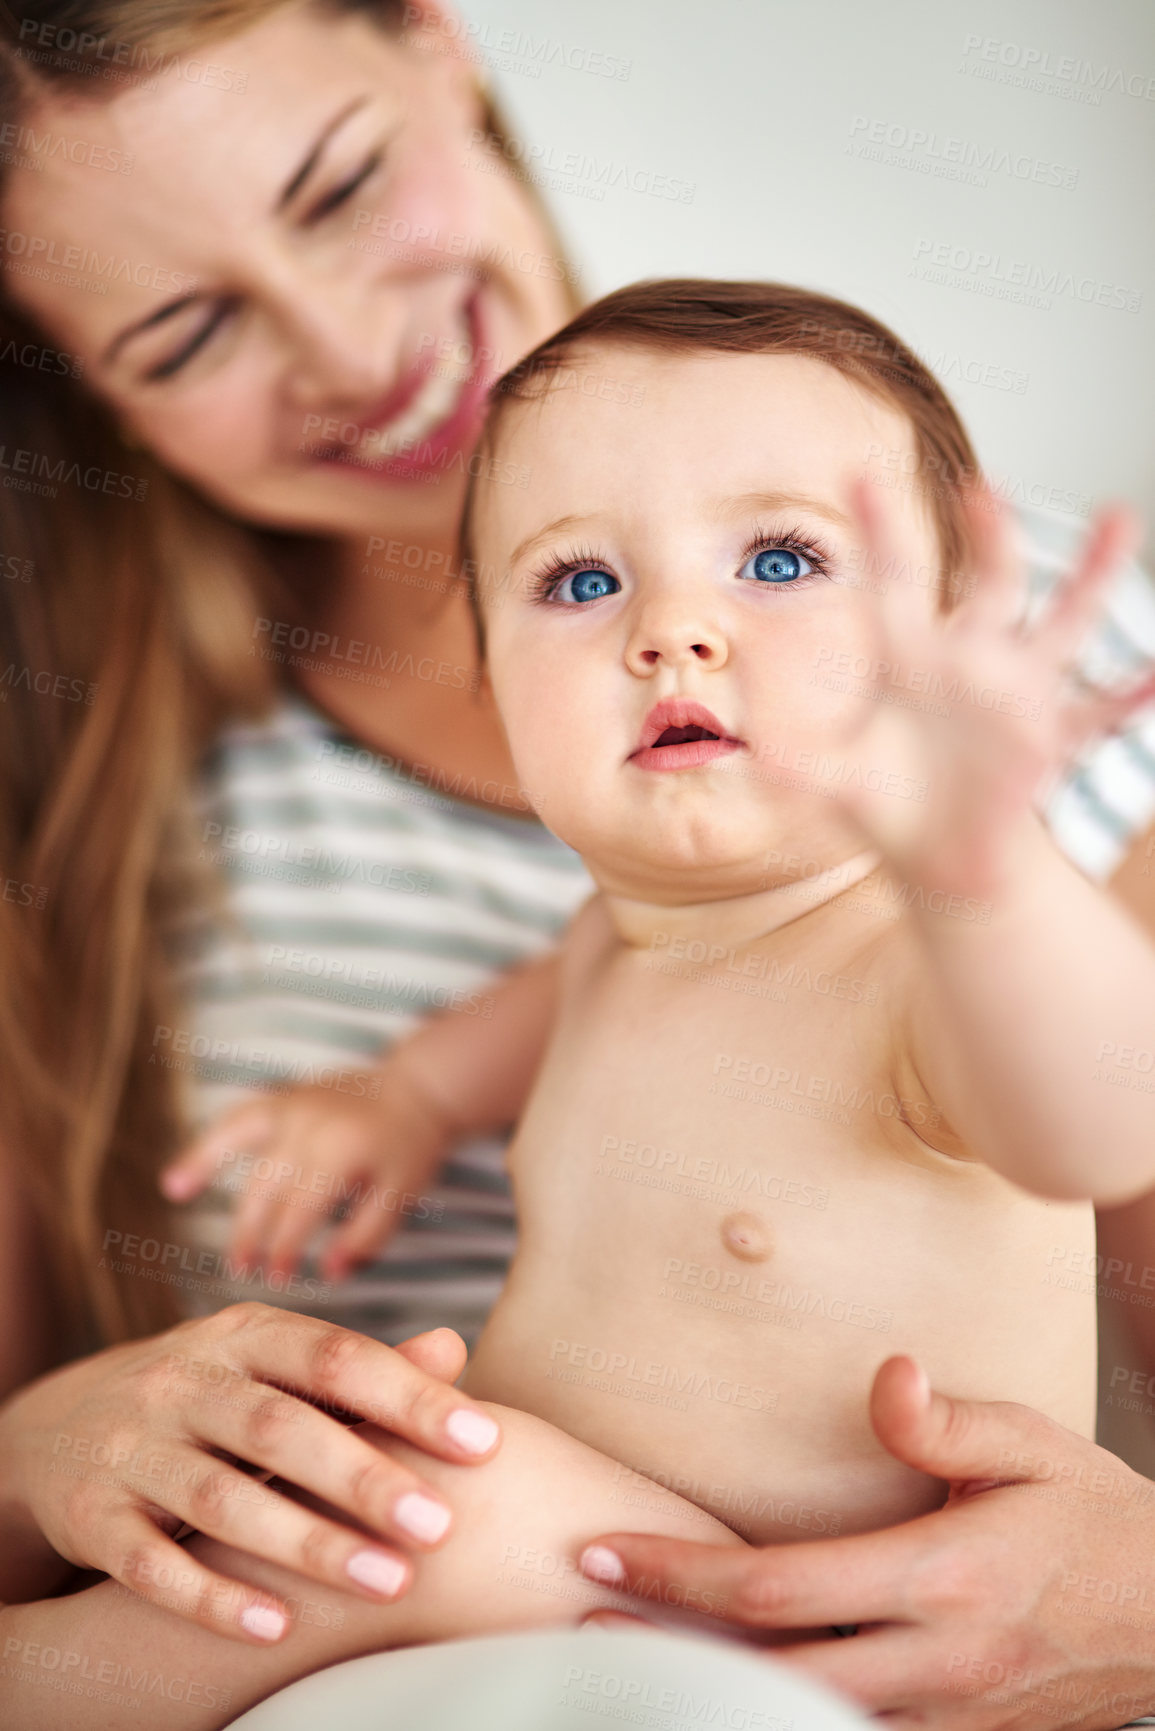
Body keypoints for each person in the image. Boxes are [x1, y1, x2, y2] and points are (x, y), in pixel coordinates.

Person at [0, 1, 1154, 1724]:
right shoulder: (622, 925)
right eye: (580, 584)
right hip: (499, 1624)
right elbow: (533, 1014)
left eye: (778, 559)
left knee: (427, 1507)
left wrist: (989, 881)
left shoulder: (952, 899)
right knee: (393, 1506)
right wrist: (389, 1108)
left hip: (779, 1625)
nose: (676, 632)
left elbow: (1096, 1121)